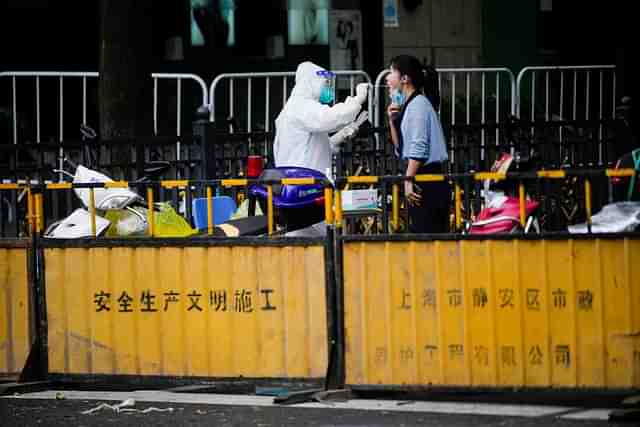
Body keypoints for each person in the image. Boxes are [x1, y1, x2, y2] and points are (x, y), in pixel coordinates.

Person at [385, 55, 450, 233]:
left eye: (391, 72)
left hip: (428, 182)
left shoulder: (418, 105)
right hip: (421, 180)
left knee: (428, 242)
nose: (387, 78)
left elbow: (419, 149)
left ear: (404, 79)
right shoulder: (411, 105)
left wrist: (408, 180)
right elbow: (402, 149)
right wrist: (392, 121)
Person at [273, 61, 369, 176]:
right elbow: (333, 117)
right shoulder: (301, 106)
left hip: (302, 179)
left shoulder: (296, 107)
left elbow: (316, 147)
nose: (327, 88)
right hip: (302, 180)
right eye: (325, 83)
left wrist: (343, 134)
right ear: (311, 82)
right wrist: (358, 99)